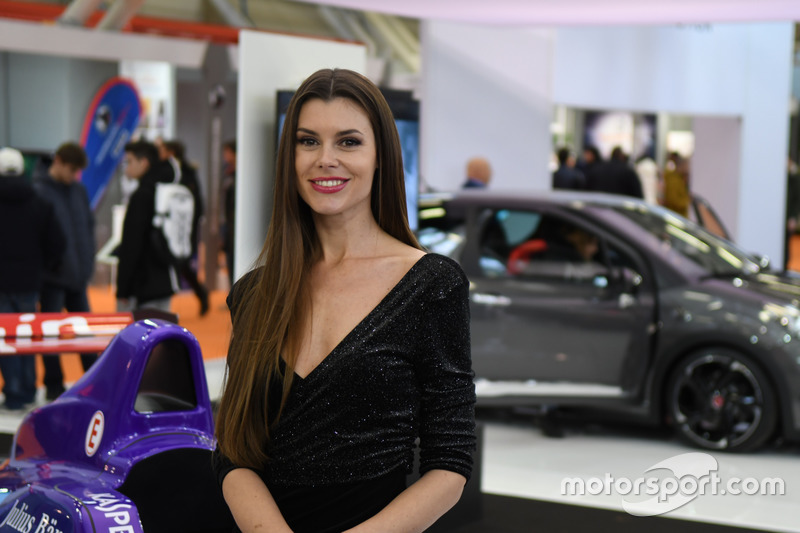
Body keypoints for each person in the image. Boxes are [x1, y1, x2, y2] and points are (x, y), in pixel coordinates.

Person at [213, 68, 476, 533]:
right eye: (308, 141)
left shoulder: (430, 285)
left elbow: (449, 462)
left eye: (349, 142)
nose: (325, 159)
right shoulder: (255, 294)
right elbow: (234, 449)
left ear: (381, 158)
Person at [0, 147, 66, 410]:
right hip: (30, 282)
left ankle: (14, 391)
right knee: (27, 336)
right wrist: (43, 267)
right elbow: (57, 243)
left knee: (6, 338)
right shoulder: (39, 202)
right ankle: (27, 389)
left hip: (1, 284)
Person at [34, 142, 97, 400]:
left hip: (78, 275)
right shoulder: (38, 191)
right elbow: (36, 237)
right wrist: (51, 266)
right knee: (50, 335)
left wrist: (87, 262)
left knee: (85, 335)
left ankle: (95, 383)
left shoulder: (78, 191)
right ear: (58, 161)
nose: (74, 176)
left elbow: (87, 227)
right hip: (52, 278)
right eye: (71, 170)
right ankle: (53, 385)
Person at [116, 140, 176, 312]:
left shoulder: (142, 195)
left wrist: (123, 288)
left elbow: (131, 244)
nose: (127, 167)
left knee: (141, 336)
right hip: (165, 277)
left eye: (130, 162)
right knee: (162, 333)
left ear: (144, 163)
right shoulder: (164, 191)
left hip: (143, 284)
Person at [161, 139, 210, 316]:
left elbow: (197, 202)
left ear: (172, 152)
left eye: (164, 150)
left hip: (184, 227)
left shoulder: (188, 172)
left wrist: (191, 226)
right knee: (177, 264)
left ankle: (201, 294)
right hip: (168, 225)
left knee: (182, 264)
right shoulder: (165, 171)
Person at [221, 139, 237, 288]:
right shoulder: (228, 173)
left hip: (235, 227)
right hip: (229, 227)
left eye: (227, 152)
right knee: (230, 262)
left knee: (235, 262)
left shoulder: (240, 177)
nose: (224, 156)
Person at [662, 151, 691, 217]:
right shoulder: (673, 179)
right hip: (676, 217)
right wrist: (687, 201)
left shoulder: (679, 179)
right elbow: (673, 200)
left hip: (678, 216)